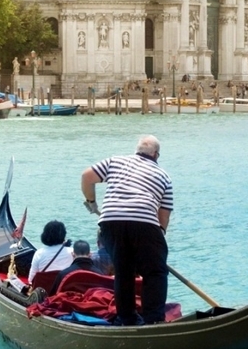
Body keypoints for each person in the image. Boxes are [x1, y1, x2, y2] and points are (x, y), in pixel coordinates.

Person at [81, 136, 173, 326]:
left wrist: (92, 202)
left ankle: (127, 319)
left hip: (110, 221)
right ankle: (154, 319)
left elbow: (86, 177)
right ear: (156, 155)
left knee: (124, 272)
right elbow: (163, 214)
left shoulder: (115, 161)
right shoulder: (163, 175)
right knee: (155, 271)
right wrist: (159, 235)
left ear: (136, 150)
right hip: (145, 223)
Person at [29, 221, 74, 285]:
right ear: (64, 235)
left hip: (44, 292)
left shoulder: (39, 253)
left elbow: (31, 280)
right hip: (65, 291)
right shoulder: (73, 252)